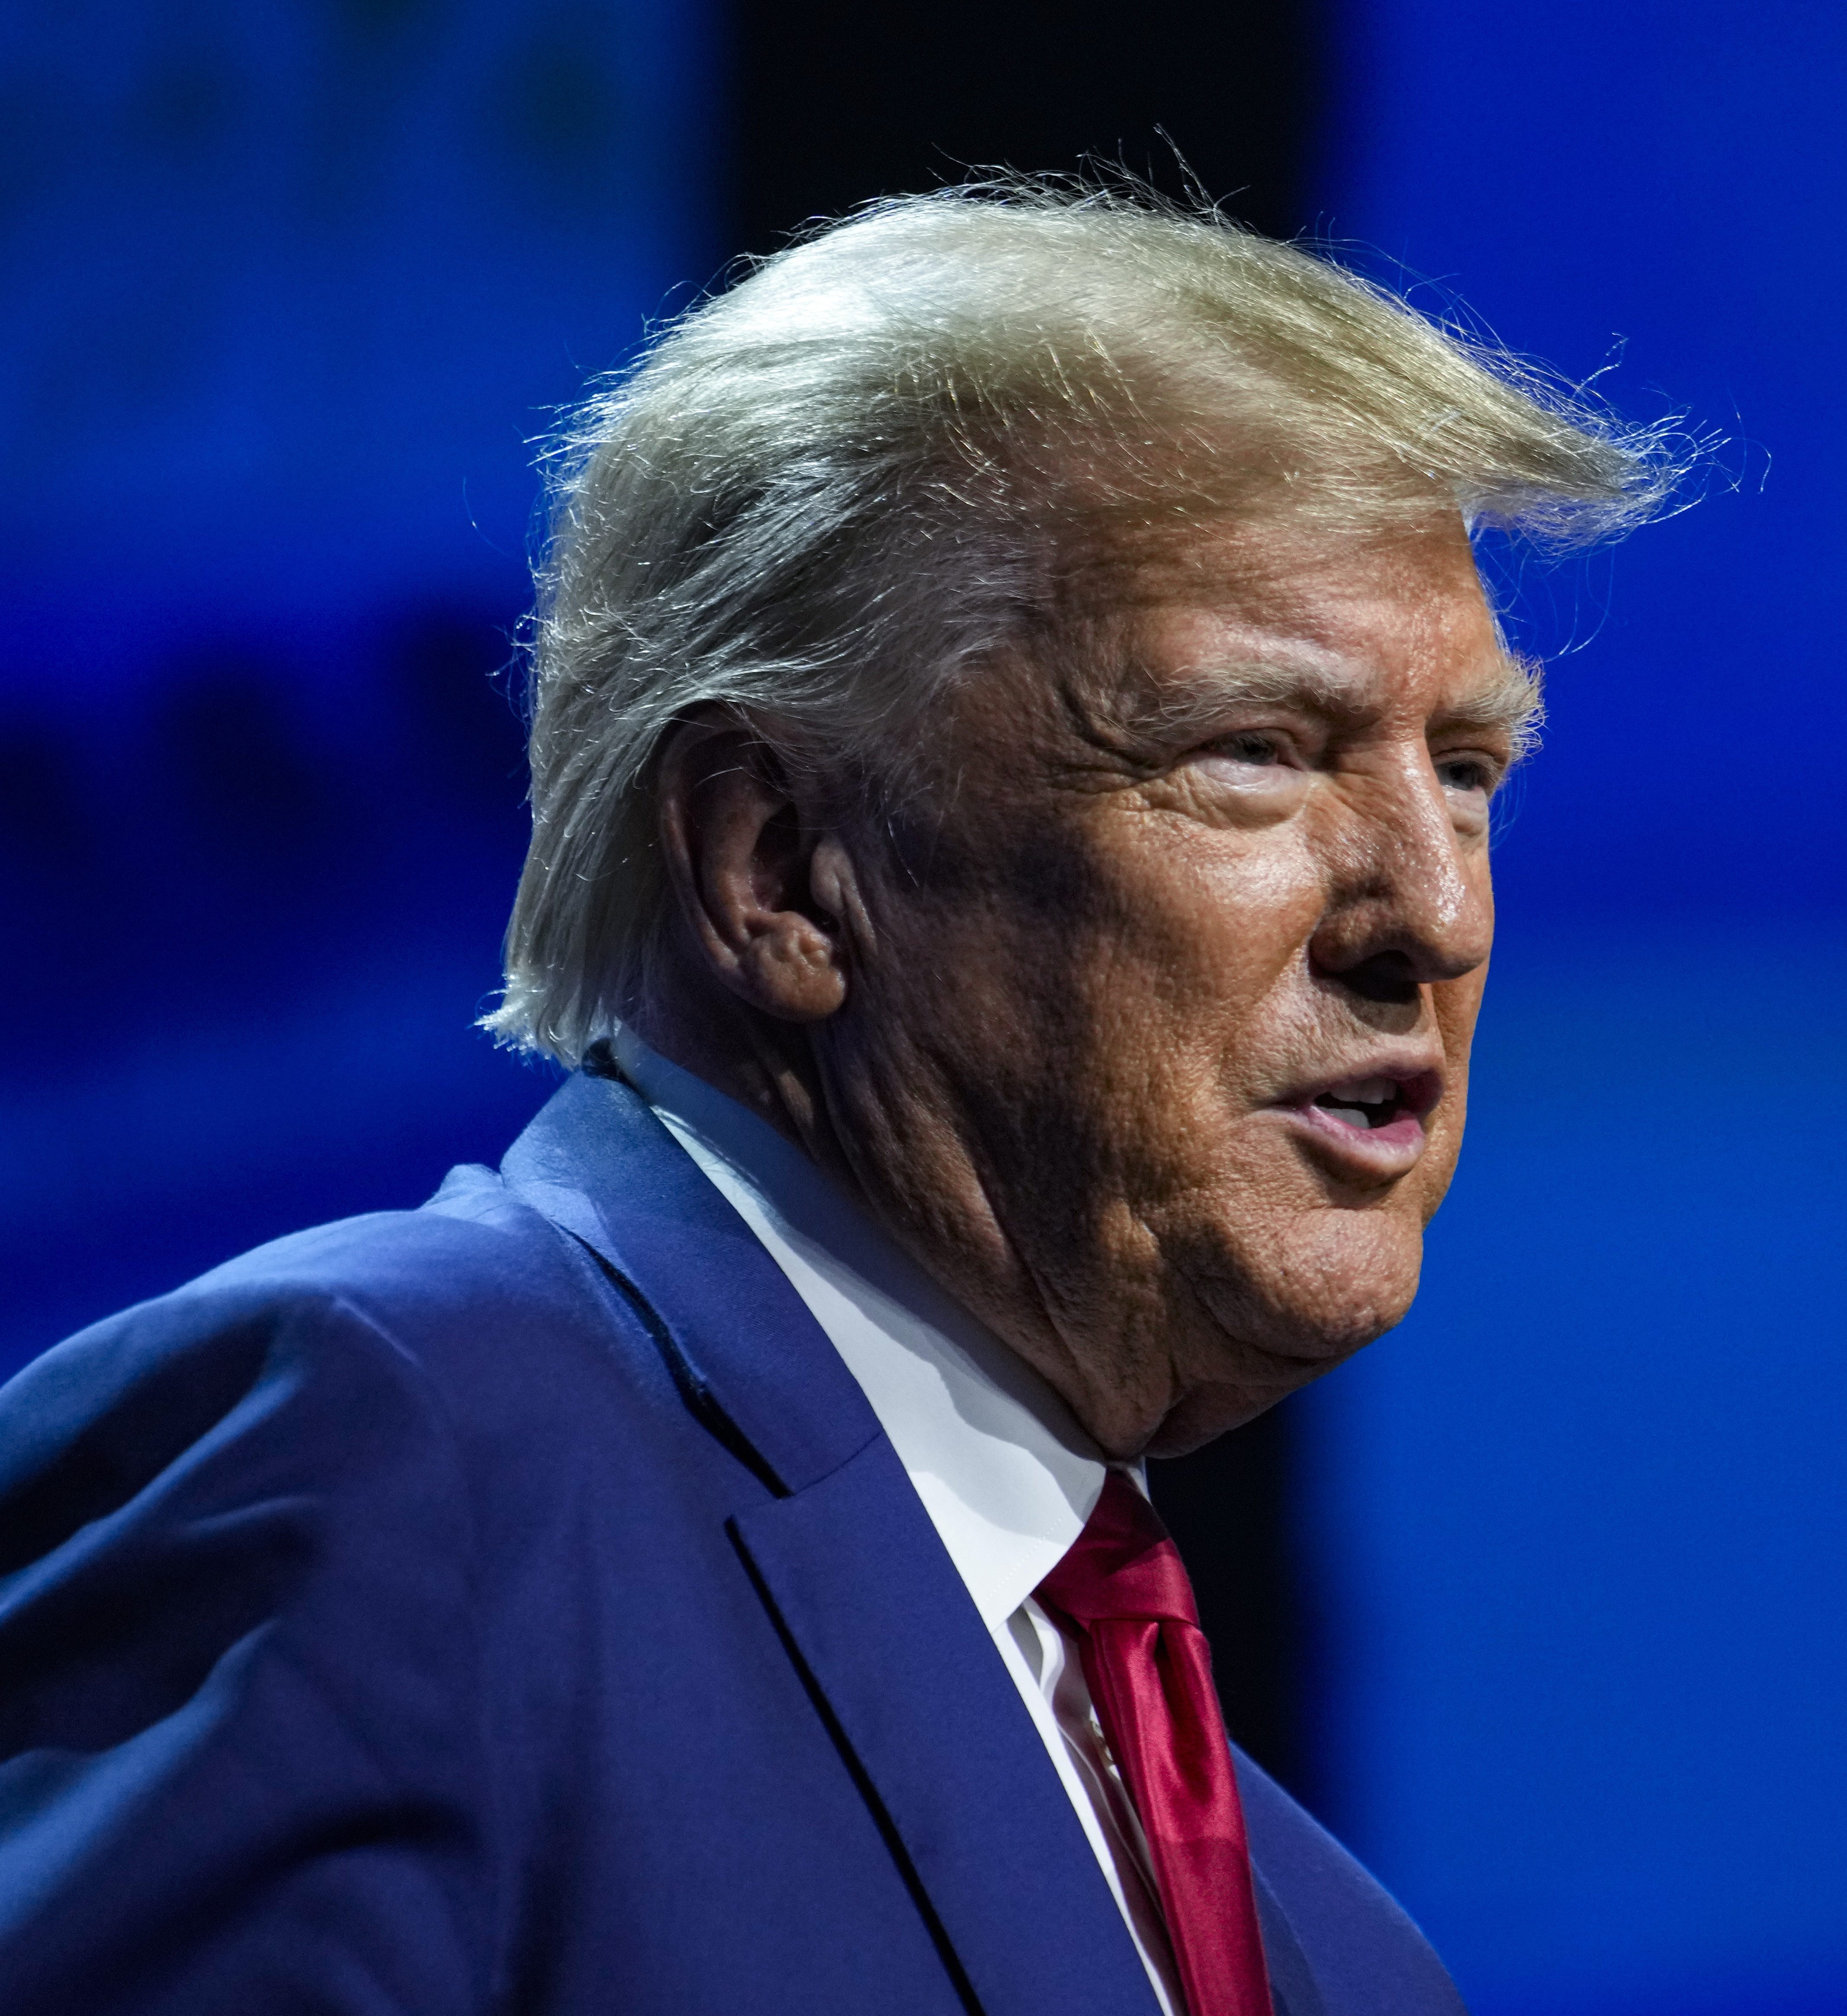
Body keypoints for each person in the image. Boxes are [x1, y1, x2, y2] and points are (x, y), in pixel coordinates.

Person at [0, 182, 1675, 2014]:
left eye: (1468, 765)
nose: (1430, 913)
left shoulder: (1338, 1949)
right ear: (779, 865)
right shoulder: (380, 1457)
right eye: (1257, 753)